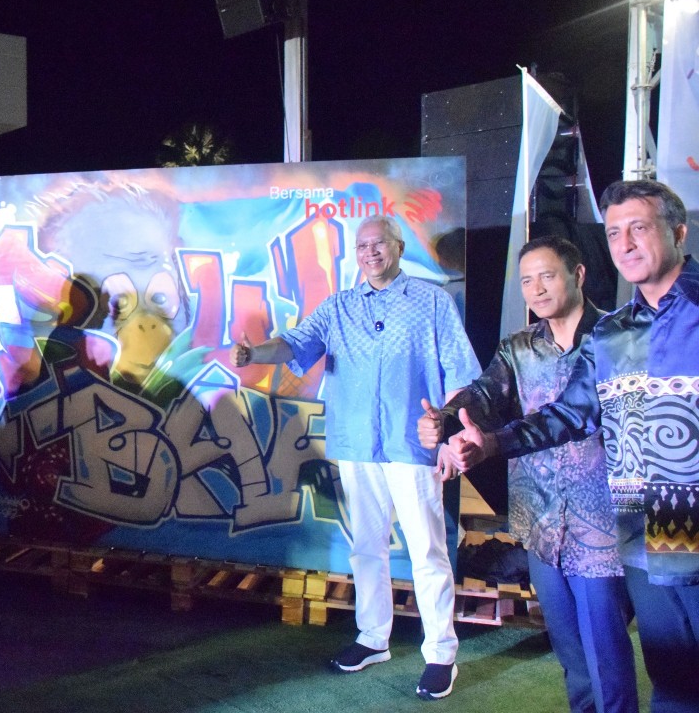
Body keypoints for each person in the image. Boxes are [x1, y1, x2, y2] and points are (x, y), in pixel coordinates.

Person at [445, 180, 699, 712]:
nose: (625, 243)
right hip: (646, 532)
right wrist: (491, 443)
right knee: (674, 683)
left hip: (675, 525)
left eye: (639, 228)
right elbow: (570, 413)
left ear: (679, 233)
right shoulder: (616, 334)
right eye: (614, 233)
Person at [231, 215, 479, 701]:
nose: (370, 253)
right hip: (357, 444)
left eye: (379, 244)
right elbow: (296, 344)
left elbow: (459, 372)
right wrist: (255, 353)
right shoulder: (338, 307)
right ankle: (372, 638)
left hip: (414, 444)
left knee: (427, 550)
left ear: (398, 247)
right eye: (363, 246)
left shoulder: (433, 301)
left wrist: (452, 437)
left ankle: (440, 654)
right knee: (366, 546)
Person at [419, 236, 637, 713]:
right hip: (540, 525)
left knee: (607, 654)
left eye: (547, 276)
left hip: (602, 529)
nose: (536, 289)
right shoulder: (519, 348)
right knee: (570, 653)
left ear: (578, 275)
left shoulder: (616, 338)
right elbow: (483, 394)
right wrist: (448, 419)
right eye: (526, 280)